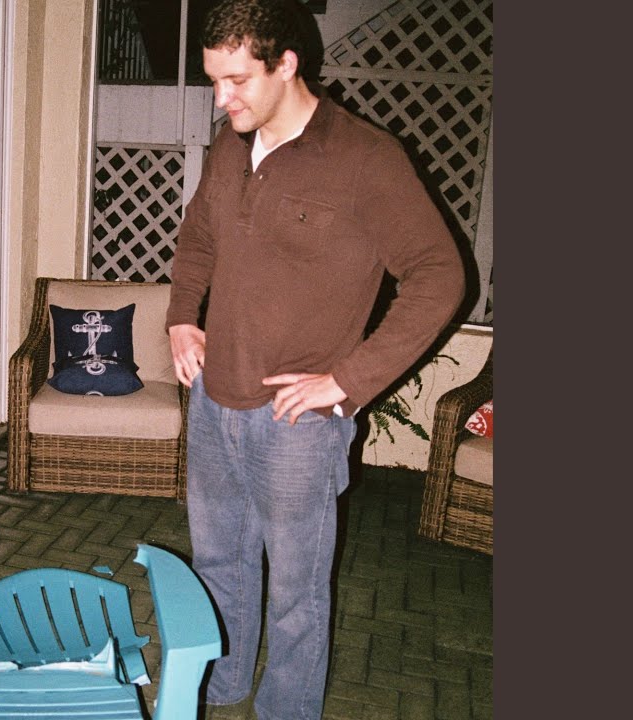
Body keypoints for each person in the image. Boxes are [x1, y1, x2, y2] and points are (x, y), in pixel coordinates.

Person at [164, 1, 466, 718]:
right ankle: (224, 683)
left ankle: (286, 710)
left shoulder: (366, 159)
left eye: (237, 80)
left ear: (287, 64)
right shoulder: (230, 144)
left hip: (297, 424)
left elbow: (440, 276)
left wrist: (348, 380)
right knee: (218, 564)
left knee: (297, 593)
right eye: (214, 80)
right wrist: (181, 318)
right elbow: (198, 239)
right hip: (213, 396)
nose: (222, 98)